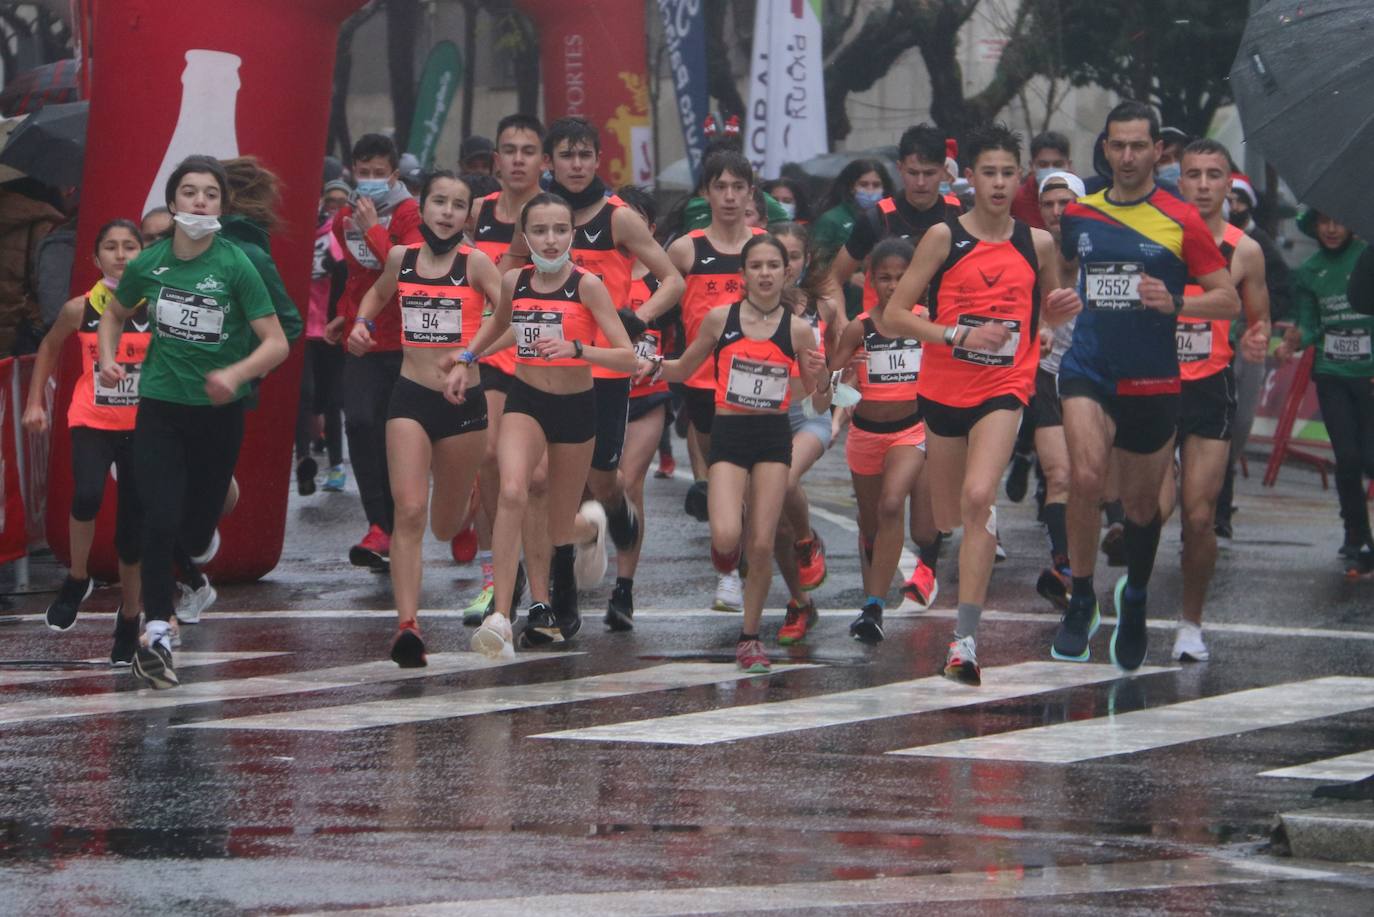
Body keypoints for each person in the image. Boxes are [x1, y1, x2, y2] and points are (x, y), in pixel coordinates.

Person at [876, 123, 1082, 684]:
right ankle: (968, 527)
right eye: (986, 172)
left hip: (1006, 386)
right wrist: (955, 337)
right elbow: (895, 315)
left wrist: (1055, 316)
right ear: (968, 178)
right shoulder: (944, 238)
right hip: (943, 389)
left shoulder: (1036, 244)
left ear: (1020, 180)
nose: (996, 182)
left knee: (976, 497)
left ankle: (964, 642)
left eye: (1006, 173)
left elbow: (1040, 315)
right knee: (945, 516)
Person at [1049, 102, 1238, 673]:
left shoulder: (1182, 220)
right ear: (1104, 149)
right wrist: (1057, 304)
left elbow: (1227, 298)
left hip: (1154, 380)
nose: (1126, 156)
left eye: (1137, 145)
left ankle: (1133, 599)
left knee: (1139, 507)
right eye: (1117, 145)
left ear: (1158, 150)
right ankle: (1082, 596)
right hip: (1089, 367)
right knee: (1083, 476)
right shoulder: (1081, 214)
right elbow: (1063, 271)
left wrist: (1177, 302)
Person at [99, 155, 290, 689]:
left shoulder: (236, 264)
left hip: (218, 414)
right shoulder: (150, 262)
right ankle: (157, 630)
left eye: (210, 194)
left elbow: (276, 341)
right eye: (190, 192)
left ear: (223, 207)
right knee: (158, 515)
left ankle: (199, 545)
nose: (200, 201)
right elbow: (116, 311)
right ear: (173, 201)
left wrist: (237, 373)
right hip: (159, 406)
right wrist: (109, 359)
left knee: (195, 523)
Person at [453, 193, 637, 656]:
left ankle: (590, 530)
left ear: (571, 234)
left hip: (576, 408)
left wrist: (579, 351)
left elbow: (627, 356)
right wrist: (468, 357)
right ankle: (509, 610)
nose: (550, 240)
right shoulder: (515, 280)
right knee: (513, 491)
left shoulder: (588, 286)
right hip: (527, 400)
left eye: (559, 230)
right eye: (540, 231)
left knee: (557, 527)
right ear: (525, 236)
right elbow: (506, 325)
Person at [642, 233, 826, 671]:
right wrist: (649, 366)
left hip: (773, 439)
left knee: (761, 544)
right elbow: (685, 368)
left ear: (786, 273)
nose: (765, 274)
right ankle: (726, 558)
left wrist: (822, 376)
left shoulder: (798, 329)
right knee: (727, 538)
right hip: (728, 437)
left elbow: (817, 402)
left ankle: (749, 638)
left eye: (773, 266)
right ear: (742, 275)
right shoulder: (719, 319)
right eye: (756, 266)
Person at [349, 171, 502, 665]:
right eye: (439, 201)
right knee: (409, 512)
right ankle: (407, 626)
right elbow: (377, 293)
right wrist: (361, 323)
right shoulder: (402, 258)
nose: (447, 212)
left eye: (459, 205)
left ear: (468, 215)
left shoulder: (477, 264)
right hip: (410, 396)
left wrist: (468, 359)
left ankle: (469, 499)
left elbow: (512, 320)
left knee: (443, 526)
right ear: (423, 205)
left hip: (462, 407)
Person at [535, 117, 684, 599]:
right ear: (550, 162)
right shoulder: (539, 217)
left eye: (584, 155)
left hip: (604, 369)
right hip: (549, 369)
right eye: (566, 155)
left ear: (597, 160)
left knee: (602, 481)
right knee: (550, 482)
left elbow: (673, 280)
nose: (576, 165)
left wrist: (637, 318)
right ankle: (558, 597)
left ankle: (618, 512)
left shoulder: (618, 216)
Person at [1162, 139, 1271, 660]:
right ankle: (1131, 591)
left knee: (1199, 517)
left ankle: (1190, 624)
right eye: (1193, 175)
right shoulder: (1157, 239)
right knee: (1150, 511)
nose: (1203, 185)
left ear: (1230, 184)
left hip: (1209, 390)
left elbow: (1259, 319)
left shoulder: (1245, 251)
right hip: (1152, 386)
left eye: (1213, 175)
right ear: (1178, 182)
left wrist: (1257, 338)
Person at [23, 219, 145, 660]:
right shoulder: (81, 308)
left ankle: (130, 618)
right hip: (91, 415)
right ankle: (77, 577)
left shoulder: (158, 307)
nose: (120, 254)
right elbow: (50, 347)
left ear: (143, 255)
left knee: (132, 532)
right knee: (88, 493)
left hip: (142, 424)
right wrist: (35, 401)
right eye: (110, 247)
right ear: (95, 259)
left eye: (130, 246)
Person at [666, 150, 766, 611]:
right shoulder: (687, 249)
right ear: (706, 192)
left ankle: (734, 573)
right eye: (720, 187)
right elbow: (660, 303)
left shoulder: (766, 250)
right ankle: (729, 558)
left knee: (749, 486)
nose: (729, 196)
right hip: (703, 385)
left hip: (757, 385)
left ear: (750, 192)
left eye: (737, 187)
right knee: (724, 486)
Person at [827, 238, 932, 643]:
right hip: (866, 434)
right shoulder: (860, 327)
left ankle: (874, 605)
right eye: (884, 278)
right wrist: (845, 383)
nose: (892, 286)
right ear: (871, 281)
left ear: (916, 283)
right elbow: (832, 389)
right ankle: (871, 597)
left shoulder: (925, 322)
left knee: (892, 505)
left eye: (901, 278)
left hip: (911, 430)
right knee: (871, 525)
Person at [464, 114, 547, 625]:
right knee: (489, 458)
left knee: (538, 481)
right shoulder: (476, 213)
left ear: (543, 160)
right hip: (489, 353)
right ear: (496, 161)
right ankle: (496, 576)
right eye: (509, 150)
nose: (518, 159)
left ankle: (552, 565)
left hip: (543, 356)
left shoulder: (552, 216)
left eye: (528, 150)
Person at [331, 134, 423, 571]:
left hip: (406, 342)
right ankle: (378, 526)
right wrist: (341, 316)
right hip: (361, 339)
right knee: (361, 423)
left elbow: (404, 269)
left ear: (394, 175)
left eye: (377, 174)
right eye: (362, 173)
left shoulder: (409, 213)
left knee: (399, 436)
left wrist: (372, 228)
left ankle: (445, 516)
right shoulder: (342, 217)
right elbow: (353, 275)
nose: (368, 182)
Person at [1276, 210, 1374, 576]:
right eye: (1323, 222)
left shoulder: (1367, 257)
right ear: (1313, 227)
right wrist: (1294, 341)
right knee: (1346, 459)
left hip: (1370, 376)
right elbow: (1310, 324)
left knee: (1370, 459)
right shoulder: (1308, 271)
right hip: (1332, 375)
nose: (1332, 229)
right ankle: (1354, 533)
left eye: (1340, 220)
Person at [605, 185, 676, 630]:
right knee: (595, 486)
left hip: (646, 397)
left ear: (648, 229)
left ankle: (624, 590)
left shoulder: (659, 280)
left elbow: (683, 335)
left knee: (629, 484)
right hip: (596, 391)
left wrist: (657, 362)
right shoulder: (592, 271)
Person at [772, 222, 842, 637]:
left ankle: (806, 540)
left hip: (809, 415)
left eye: (794, 256)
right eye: (778, 257)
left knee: (782, 480)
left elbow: (845, 356)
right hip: (764, 415)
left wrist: (839, 411)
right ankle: (800, 602)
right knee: (770, 519)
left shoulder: (824, 306)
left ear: (804, 260)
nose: (785, 265)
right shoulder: (750, 305)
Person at [1216, 172, 1292, 538]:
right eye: (1227, 197)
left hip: (1247, 344)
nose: (1232, 206)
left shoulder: (1258, 244)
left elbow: (1283, 290)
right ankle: (1212, 510)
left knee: (1240, 422)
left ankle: (1222, 487)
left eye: (1239, 199)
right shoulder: (1202, 237)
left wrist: (1257, 319)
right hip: (1209, 346)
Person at [826, 125, 963, 327]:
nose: (921, 182)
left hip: (944, 336)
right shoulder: (876, 219)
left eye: (929, 173)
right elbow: (833, 279)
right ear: (899, 169)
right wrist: (841, 325)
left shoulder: (961, 215)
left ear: (944, 171)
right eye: (913, 173)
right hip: (884, 339)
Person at [1027, 170, 1085, 611]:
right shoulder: (1029, 253)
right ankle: (1062, 566)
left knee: (1097, 481)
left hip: (1095, 375)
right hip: (1046, 374)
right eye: (1048, 204)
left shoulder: (1098, 252)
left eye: (1065, 203)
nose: (1056, 212)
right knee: (1059, 475)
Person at [299, 179, 350, 494]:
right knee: (303, 397)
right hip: (302, 330)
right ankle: (304, 461)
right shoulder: (295, 233)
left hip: (330, 330)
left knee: (331, 400)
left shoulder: (334, 235)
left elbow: (348, 275)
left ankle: (336, 466)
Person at [1010, 131, 1072, 229]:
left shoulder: (1082, 196)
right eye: (1043, 165)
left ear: (1069, 165)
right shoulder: (1015, 200)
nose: (1051, 170)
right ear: (1031, 166)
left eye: (1057, 164)